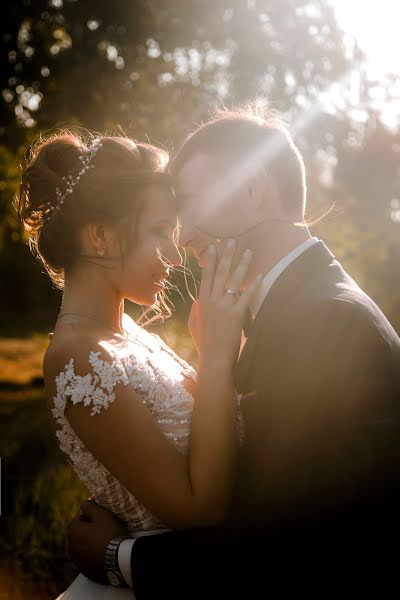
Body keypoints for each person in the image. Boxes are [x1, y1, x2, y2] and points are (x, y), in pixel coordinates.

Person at [68, 103, 400, 597]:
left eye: (191, 204)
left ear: (251, 188)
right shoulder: (291, 307)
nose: (184, 235)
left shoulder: (328, 320)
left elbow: (290, 544)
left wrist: (120, 558)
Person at [17, 130, 260, 599]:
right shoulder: (79, 359)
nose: (173, 256)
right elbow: (199, 511)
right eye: (158, 232)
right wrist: (213, 357)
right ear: (101, 236)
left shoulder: (130, 334)